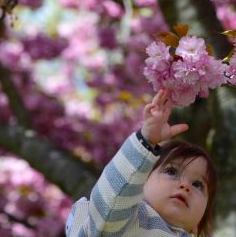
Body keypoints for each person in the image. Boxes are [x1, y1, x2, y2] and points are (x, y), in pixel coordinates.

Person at [65, 89, 218, 237]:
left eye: (198, 184)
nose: (185, 186)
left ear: (197, 225)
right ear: (139, 183)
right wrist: (146, 141)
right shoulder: (128, 221)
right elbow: (113, 200)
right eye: (171, 172)